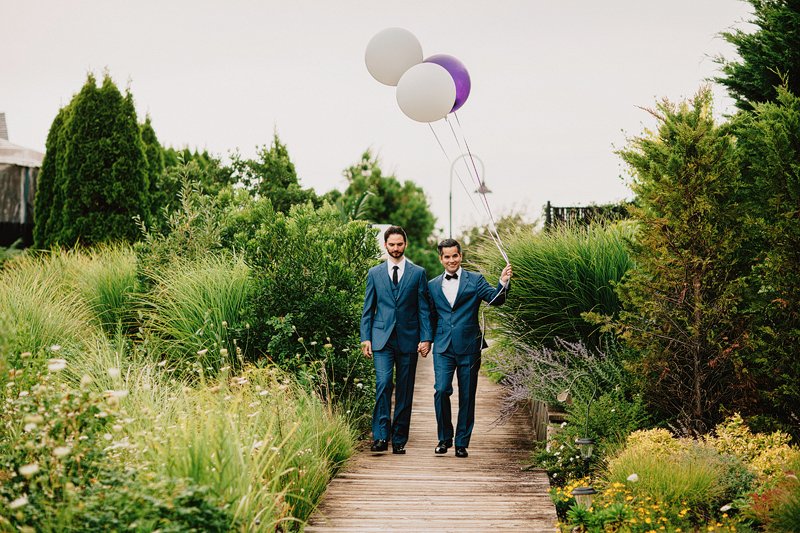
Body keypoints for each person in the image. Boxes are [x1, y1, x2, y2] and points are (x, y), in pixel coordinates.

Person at [429, 238, 512, 458]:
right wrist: (425, 340)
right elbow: (428, 316)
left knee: (467, 395)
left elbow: (495, 300)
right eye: (447, 257)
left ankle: (461, 442)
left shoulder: (475, 280)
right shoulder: (432, 285)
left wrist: (502, 283)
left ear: (460, 256)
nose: (451, 260)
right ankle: (444, 438)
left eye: (455, 256)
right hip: (443, 346)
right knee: (441, 390)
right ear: (441, 259)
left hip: (469, 346)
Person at [360, 226, 432, 454]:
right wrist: (366, 338)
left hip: (408, 339)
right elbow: (367, 309)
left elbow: (423, 309)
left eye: (399, 244)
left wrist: (426, 337)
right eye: (392, 244)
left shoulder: (418, 273)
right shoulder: (374, 273)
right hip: (381, 339)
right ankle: (381, 436)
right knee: (383, 384)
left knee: (405, 388)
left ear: (405, 244)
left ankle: (399, 438)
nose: (396, 248)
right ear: (385, 245)